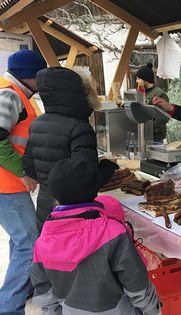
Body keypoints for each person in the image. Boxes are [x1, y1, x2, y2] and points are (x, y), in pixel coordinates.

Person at [31, 157, 161, 315]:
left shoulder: (43, 240)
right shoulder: (113, 232)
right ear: (95, 192)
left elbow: (44, 291)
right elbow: (137, 284)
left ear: (55, 196)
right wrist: (152, 310)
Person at [23, 66, 106, 231]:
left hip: (45, 208)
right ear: (76, 94)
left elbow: (30, 168)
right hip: (74, 214)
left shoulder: (37, 123)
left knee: (53, 254)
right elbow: (85, 178)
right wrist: (107, 169)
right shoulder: (79, 127)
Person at [0, 49, 46, 315]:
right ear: (30, 76)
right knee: (30, 243)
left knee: (19, 242)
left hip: (9, 184)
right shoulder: (8, 95)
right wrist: (22, 173)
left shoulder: (15, 94)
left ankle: (20, 288)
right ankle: (9, 307)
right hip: (7, 185)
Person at [136, 63, 169, 142]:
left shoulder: (159, 94)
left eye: (138, 78)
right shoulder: (141, 92)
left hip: (155, 136)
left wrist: (150, 128)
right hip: (141, 134)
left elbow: (164, 116)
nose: (136, 81)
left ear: (145, 79)